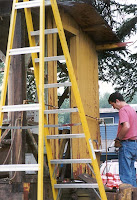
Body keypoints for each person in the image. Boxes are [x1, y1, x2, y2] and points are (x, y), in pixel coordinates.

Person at [108, 91, 137, 187]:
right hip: (134, 144)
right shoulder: (132, 110)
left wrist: (118, 139)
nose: (113, 108)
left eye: (113, 105)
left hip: (126, 144)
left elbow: (126, 126)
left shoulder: (123, 110)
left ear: (117, 101)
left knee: (125, 176)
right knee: (132, 173)